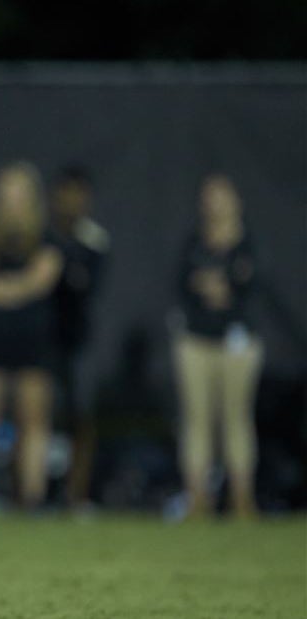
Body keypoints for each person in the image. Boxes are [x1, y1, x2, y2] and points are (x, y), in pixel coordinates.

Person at [0, 161, 63, 515]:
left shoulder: (47, 238)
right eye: (7, 193)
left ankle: (32, 500)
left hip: (34, 340)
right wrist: (19, 288)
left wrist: (3, 289)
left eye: (19, 193)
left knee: (34, 422)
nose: (13, 201)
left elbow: (43, 280)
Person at [171, 173, 263, 520]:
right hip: (196, 339)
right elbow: (182, 283)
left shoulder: (248, 244)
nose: (215, 204)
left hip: (238, 341)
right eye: (209, 197)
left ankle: (242, 498)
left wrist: (222, 288)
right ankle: (197, 498)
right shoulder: (194, 242)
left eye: (221, 196)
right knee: (197, 419)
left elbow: (250, 287)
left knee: (236, 417)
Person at [47, 164, 110, 513]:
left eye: (78, 196)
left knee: (81, 419)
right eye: (65, 195)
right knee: (37, 417)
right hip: (42, 340)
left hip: (78, 341)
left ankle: (76, 496)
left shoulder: (93, 240)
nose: (71, 202)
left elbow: (85, 286)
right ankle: (33, 494)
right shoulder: (42, 233)